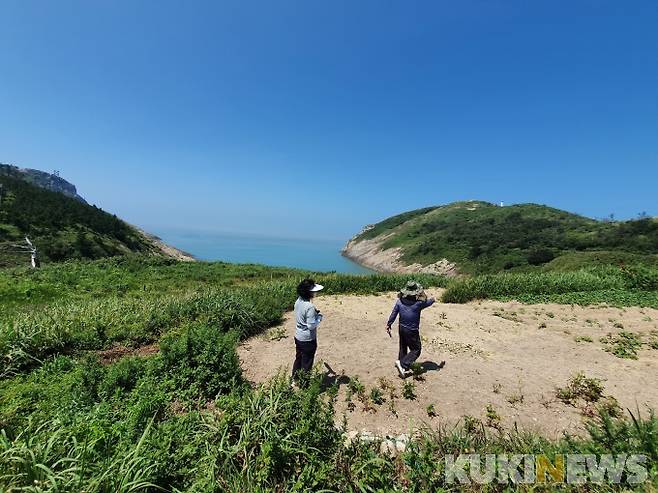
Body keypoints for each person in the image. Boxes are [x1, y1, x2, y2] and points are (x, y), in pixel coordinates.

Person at [386, 280, 435, 377]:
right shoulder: (418, 304)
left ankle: (400, 362)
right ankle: (403, 364)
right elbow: (428, 302)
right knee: (416, 349)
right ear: (415, 293)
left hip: (401, 327)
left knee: (403, 346)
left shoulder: (399, 301)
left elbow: (394, 313)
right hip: (412, 330)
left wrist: (389, 324)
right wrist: (431, 298)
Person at [292, 278, 324, 382]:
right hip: (308, 339)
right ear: (309, 293)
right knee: (307, 362)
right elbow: (311, 326)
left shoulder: (298, 301)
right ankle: (304, 384)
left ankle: (294, 379)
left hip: (298, 336)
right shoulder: (309, 307)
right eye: (314, 291)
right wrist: (319, 318)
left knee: (299, 359)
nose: (315, 293)